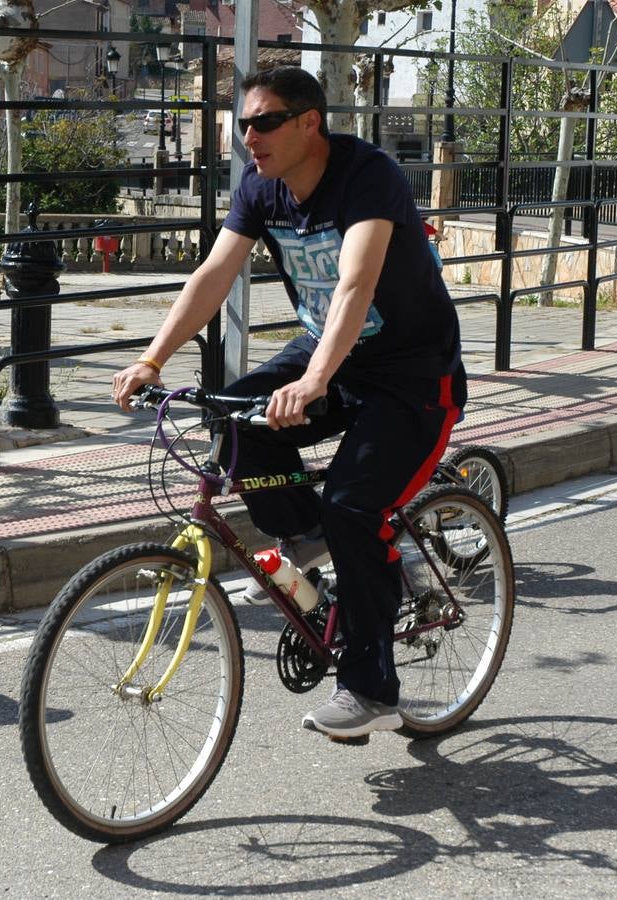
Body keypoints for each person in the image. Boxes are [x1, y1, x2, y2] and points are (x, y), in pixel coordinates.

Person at [111, 66, 467, 740]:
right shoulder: (258, 185)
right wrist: (152, 357)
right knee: (231, 417)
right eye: (242, 123)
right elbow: (214, 272)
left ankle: (370, 688)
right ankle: (305, 538)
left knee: (354, 509)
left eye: (265, 121)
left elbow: (356, 282)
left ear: (309, 122)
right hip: (326, 355)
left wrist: (314, 380)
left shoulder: (368, 175)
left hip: (412, 375)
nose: (249, 136)